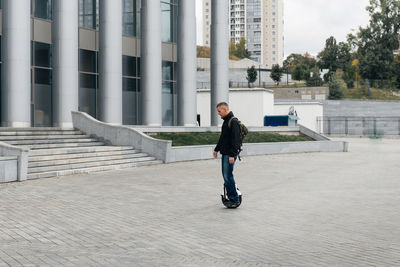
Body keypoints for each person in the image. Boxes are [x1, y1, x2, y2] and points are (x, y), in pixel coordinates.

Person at [213, 102, 241, 207]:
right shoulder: (226, 122)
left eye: (219, 111)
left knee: (228, 176)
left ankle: (234, 199)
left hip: (229, 154)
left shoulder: (233, 122)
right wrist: (216, 149)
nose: (219, 113)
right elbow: (223, 138)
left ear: (225, 109)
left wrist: (232, 155)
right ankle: (231, 196)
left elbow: (235, 140)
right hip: (225, 153)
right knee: (226, 176)